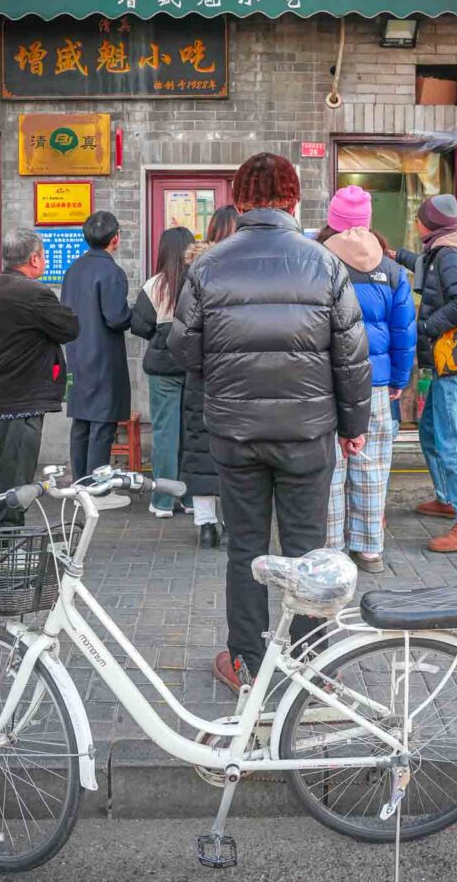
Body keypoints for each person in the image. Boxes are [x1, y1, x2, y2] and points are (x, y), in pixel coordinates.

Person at [169, 153, 371, 693]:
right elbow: (351, 356)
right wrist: (354, 425)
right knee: (309, 551)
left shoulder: (208, 265)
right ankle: (309, 667)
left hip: (235, 433)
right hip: (307, 433)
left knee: (247, 549)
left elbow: (183, 347)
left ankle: (249, 664)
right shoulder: (324, 263)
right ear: (292, 200)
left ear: (239, 200)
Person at [319, 186, 417, 574]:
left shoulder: (318, 261)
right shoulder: (392, 270)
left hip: (327, 379)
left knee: (331, 465)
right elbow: (404, 329)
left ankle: (332, 549)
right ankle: (370, 549)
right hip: (375, 382)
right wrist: (399, 376)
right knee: (373, 463)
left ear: (333, 220)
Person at [390, 194, 457, 552]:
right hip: (448, 362)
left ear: (427, 223)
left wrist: (429, 325)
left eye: (418, 218)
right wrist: (397, 256)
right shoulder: (442, 251)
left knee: (452, 438)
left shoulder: (447, 253)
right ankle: (448, 498)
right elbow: (430, 271)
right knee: (432, 430)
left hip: (455, 361)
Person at [0, 227, 79, 529]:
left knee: (2, 476)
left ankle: (2, 543)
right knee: (14, 482)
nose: (44, 260)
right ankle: (4, 547)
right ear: (34, 259)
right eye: (43, 255)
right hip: (17, 402)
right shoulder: (32, 293)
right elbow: (69, 327)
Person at [61, 211, 134, 509]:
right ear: (115, 238)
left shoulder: (73, 270)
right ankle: (97, 491)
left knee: (81, 423)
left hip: (76, 354)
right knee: (102, 425)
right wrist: (137, 315)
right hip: (103, 356)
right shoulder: (111, 272)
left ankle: (80, 488)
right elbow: (116, 318)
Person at [179, 205, 239, 548]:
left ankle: (205, 526)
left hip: (201, 376)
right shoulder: (247, 269)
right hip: (239, 378)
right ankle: (233, 523)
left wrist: (196, 362)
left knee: (201, 448)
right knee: (236, 453)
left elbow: (182, 332)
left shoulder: (196, 270)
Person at [131, 226, 194, 518]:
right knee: (194, 432)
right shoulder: (200, 280)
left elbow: (139, 325)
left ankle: (164, 502)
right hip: (195, 367)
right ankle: (193, 498)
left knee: (165, 433)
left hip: (162, 369)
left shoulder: (155, 285)